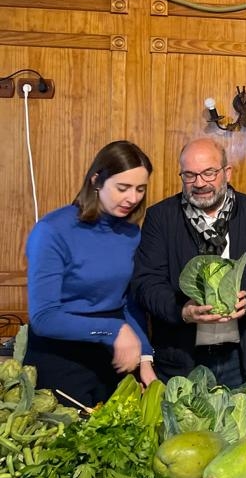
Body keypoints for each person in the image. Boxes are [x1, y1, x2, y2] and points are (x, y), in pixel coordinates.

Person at [131, 138, 246, 386]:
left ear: (227, 172)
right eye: (190, 175)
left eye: (209, 173)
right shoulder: (161, 217)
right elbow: (145, 283)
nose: (200, 183)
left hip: (241, 360)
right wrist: (182, 311)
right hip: (181, 361)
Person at [24, 141, 157, 408]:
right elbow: (43, 317)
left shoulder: (130, 234)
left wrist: (145, 357)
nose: (133, 198)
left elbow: (128, 303)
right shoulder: (52, 231)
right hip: (60, 357)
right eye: (123, 188)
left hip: (114, 355)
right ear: (96, 180)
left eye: (140, 189)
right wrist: (110, 330)